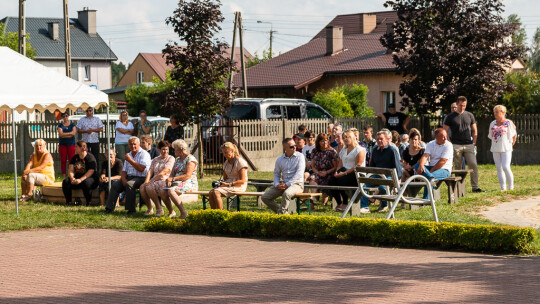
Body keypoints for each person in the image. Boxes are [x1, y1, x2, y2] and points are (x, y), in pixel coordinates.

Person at [443, 96, 484, 192]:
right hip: (456, 144)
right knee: (458, 167)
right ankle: (458, 187)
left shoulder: (469, 115)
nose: (462, 107)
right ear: (456, 104)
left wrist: (473, 142)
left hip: (468, 144)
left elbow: (475, 130)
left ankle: (475, 187)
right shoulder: (450, 117)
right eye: (460, 105)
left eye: (464, 105)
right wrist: (450, 143)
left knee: (473, 164)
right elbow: (445, 131)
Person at [359, 130, 402, 213]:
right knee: (363, 185)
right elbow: (372, 166)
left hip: (389, 176)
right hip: (377, 175)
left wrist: (398, 179)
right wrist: (369, 177)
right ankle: (365, 207)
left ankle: (384, 204)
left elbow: (398, 167)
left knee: (383, 187)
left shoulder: (392, 150)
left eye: (381, 139)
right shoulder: (375, 150)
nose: (379, 141)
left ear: (386, 139)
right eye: (378, 139)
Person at [105, 136, 151, 214]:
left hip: (141, 178)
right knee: (115, 185)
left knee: (129, 184)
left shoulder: (144, 154)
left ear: (139, 144)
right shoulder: (129, 154)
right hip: (129, 177)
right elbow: (124, 171)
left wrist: (130, 160)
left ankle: (131, 210)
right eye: (130, 144)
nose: (133, 146)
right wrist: (123, 179)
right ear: (128, 145)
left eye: (134, 144)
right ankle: (109, 208)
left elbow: (141, 169)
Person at [261, 138, 305, 214]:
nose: (294, 147)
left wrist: (287, 185)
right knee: (265, 197)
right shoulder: (279, 159)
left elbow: (299, 174)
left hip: (297, 184)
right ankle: (283, 213)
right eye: (291, 146)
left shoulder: (300, 156)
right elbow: (276, 174)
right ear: (285, 148)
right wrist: (277, 184)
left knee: (286, 193)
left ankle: (281, 215)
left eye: (295, 145)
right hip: (283, 184)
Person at [329, 130, 366, 212]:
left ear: (352, 137)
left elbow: (358, 166)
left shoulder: (359, 149)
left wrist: (343, 173)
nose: (345, 139)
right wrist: (337, 172)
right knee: (331, 181)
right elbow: (340, 164)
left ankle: (345, 203)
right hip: (344, 174)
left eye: (347, 137)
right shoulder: (344, 150)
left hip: (356, 175)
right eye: (344, 137)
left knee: (341, 179)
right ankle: (340, 204)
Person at [160, 139, 198, 218]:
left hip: (189, 182)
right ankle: (171, 212)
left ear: (179, 149)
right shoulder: (177, 160)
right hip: (178, 182)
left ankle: (183, 213)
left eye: (174, 149)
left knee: (171, 191)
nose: (173, 151)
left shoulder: (190, 159)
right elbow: (172, 173)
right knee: (162, 191)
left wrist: (173, 179)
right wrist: (170, 179)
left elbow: (187, 175)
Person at [415, 128, 453, 199]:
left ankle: (426, 200)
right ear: (436, 137)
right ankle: (430, 178)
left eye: (446, 136)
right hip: (432, 167)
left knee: (429, 178)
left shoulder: (448, 145)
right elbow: (425, 156)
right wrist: (421, 165)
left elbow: (442, 161)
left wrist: (430, 172)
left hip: (444, 169)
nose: (445, 138)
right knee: (417, 165)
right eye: (443, 137)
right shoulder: (430, 144)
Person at [208, 142, 249, 209]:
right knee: (211, 193)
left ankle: (220, 214)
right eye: (223, 153)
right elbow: (225, 178)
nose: (224, 155)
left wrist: (229, 184)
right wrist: (221, 183)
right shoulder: (226, 163)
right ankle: (214, 214)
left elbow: (242, 181)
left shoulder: (240, 162)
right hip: (228, 185)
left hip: (238, 186)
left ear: (232, 151)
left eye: (226, 152)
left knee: (216, 192)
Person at [139, 141, 175, 216]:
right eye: (163, 149)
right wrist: (146, 181)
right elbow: (150, 171)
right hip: (155, 180)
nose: (165, 151)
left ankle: (159, 209)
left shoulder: (171, 158)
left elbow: (165, 172)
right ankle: (150, 209)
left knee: (149, 187)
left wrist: (151, 181)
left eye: (167, 149)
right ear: (159, 150)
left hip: (164, 180)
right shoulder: (155, 159)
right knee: (142, 188)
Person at [488, 105, 517, 191]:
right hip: (495, 149)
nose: (495, 114)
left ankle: (511, 187)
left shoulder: (508, 123)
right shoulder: (492, 123)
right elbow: (491, 136)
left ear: (503, 113)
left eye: (497, 112)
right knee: (499, 168)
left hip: (506, 148)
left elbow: (514, 135)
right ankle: (503, 187)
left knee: (505, 167)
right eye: (494, 112)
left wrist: (511, 145)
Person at [62, 141, 98, 206]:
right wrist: (72, 178)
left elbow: (91, 171)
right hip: (77, 179)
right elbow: (71, 170)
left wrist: (80, 180)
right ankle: (68, 201)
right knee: (66, 181)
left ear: (82, 148)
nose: (74, 148)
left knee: (86, 182)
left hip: (90, 179)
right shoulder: (75, 157)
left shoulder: (90, 157)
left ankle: (88, 202)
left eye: (76, 147)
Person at [309, 133, 338, 205]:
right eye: (322, 141)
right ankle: (313, 198)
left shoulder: (332, 151)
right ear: (318, 142)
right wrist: (318, 172)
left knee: (329, 180)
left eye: (326, 140)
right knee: (312, 178)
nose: (325, 142)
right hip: (318, 173)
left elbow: (335, 166)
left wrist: (326, 172)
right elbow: (313, 166)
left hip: (329, 173)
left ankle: (324, 198)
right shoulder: (314, 151)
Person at [76, 107, 104, 172]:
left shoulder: (97, 119)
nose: (89, 112)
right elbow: (78, 130)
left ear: (92, 111)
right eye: (87, 111)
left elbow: (101, 129)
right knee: (85, 156)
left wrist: (93, 130)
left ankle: (96, 172)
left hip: (94, 141)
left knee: (96, 157)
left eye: (90, 111)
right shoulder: (82, 119)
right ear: (85, 112)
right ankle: (85, 171)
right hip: (85, 142)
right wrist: (86, 131)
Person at [57, 112, 77, 178]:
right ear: (62, 117)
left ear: (68, 116)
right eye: (63, 116)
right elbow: (61, 134)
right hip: (62, 145)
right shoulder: (60, 126)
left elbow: (74, 133)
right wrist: (69, 134)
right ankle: (64, 176)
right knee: (63, 160)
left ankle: (71, 174)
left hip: (71, 145)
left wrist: (65, 134)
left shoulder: (72, 125)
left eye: (66, 115)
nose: (65, 117)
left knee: (71, 160)